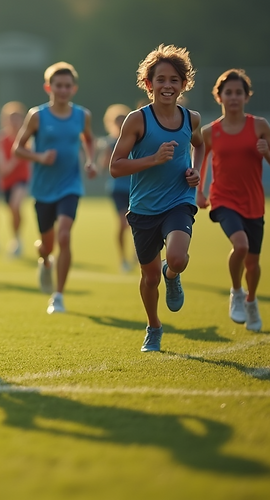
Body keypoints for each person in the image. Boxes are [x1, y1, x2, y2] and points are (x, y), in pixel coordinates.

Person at [108, 44, 205, 353]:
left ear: (184, 84)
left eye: (174, 80)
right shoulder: (137, 121)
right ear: (148, 84)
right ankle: (153, 325)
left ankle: (172, 273)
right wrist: (153, 159)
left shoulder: (192, 119)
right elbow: (115, 167)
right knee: (150, 278)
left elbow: (200, 146)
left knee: (176, 258)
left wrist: (195, 171)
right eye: (160, 79)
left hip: (179, 200)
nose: (167, 86)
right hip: (144, 208)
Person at [197, 69, 270, 332]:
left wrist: (267, 154)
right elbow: (199, 162)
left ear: (246, 97)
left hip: (254, 202)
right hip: (223, 199)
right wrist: (199, 192)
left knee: (253, 264)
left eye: (239, 93)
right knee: (241, 245)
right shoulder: (210, 132)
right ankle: (236, 291)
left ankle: (251, 300)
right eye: (228, 93)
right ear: (219, 97)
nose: (233, 97)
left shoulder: (259, 126)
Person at [13, 62, 97, 314]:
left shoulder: (83, 115)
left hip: (70, 185)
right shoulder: (37, 115)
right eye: (58, 86)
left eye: (67, 86)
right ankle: (45, 260)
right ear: (48, 87)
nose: (62, 90)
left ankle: (58, 296)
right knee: (47, 245)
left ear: (74, 89)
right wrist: (39, 158)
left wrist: (91, 161)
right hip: (42, 188)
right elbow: (18, 148)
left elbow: (89, 140)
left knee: (64, 235)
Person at [100, 104, 136, 272]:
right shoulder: (110, 142)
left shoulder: (135, 141)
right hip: (118, 188)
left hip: (135, 187)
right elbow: (104, 165)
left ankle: (138, 253)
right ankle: (123, 258)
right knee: (123, 223)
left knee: (137, 223)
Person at [0, 101, 30, 256]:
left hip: (21, 179)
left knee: (16, 205)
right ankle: (15, 237)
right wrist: (3, 168)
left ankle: (17, 240)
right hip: (6, 181)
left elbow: (24, 155)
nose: (14, 121)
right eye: (11, 118)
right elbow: (0, 160)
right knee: (12, 211)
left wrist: (11, 164)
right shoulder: (1, 139)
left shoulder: (25, 138)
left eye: (17, 118)